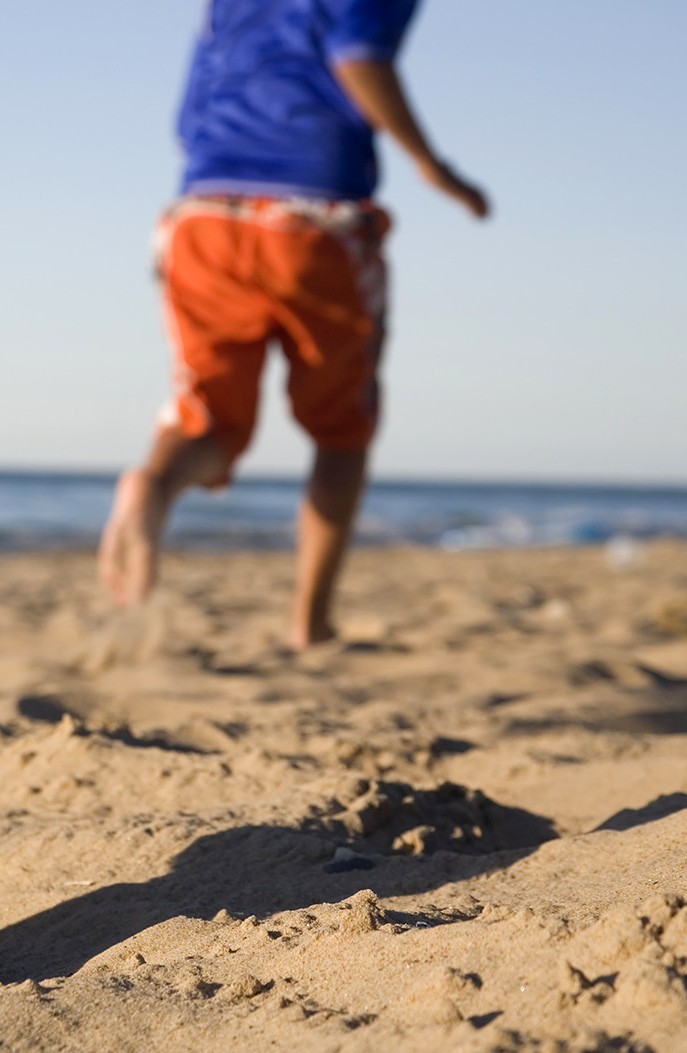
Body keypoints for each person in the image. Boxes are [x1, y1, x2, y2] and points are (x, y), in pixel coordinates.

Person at [98, 0, 488, 648]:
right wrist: (430, 164)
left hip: (203, 214)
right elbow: (358, 53)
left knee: (209, 416)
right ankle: (311, 620)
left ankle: (156, 486)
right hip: (316, 216)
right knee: (342, 429)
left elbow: (188, 118)